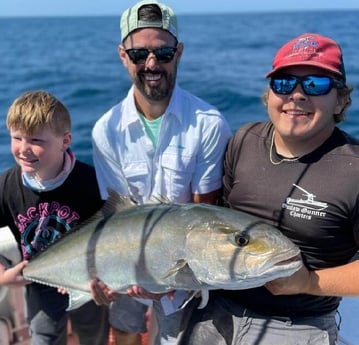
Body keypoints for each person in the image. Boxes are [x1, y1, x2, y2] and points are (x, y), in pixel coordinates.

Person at [178, 32, 359, 345]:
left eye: (315, 84)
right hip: (215, 309)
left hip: (296, 323)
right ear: (270, 93)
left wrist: (309, 282)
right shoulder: (244, 140)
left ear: (341, 99)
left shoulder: (353, 169)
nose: (297, 95)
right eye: (284, 83)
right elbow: (213, 225)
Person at [90, 1, 232, 344]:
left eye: (163, 52)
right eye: (139, 54)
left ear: (178, 53)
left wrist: (170, 278)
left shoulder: (209, 125)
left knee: (176, 337)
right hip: (128, 255)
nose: (151, 64)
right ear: (123, 55)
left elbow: (203, 217)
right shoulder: (105, 130)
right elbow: (118, 213)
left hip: (184, 268)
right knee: (124, 325)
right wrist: (128, 275)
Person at [0, 90, 110, 345]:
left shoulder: (92, 183)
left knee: (94, 337)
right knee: (44, 339)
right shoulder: (6, 186)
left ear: (65, 140)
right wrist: (4, 276)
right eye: (17, 138)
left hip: (88, 283)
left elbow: (113, 233)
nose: (24, 149)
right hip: (40, 280)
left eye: (36, 140)